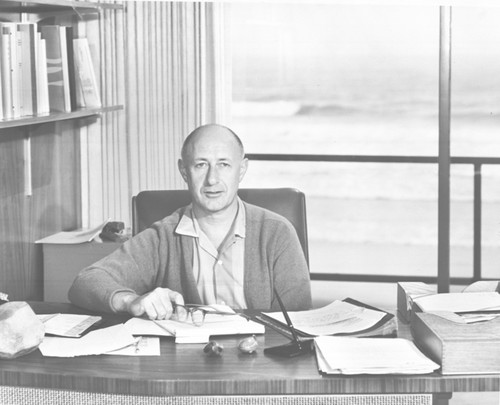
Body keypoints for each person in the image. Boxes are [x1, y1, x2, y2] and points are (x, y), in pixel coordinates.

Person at [68, 124, 312, 319]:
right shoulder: (163, 237)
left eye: (224, 164)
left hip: (257, 366)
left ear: (242, 169)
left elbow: (299, 322)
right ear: (184, 171)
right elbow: (85, 282)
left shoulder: (277, 233)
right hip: (188, 367)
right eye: (200, 165)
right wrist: (131, 301)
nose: (212, 179)